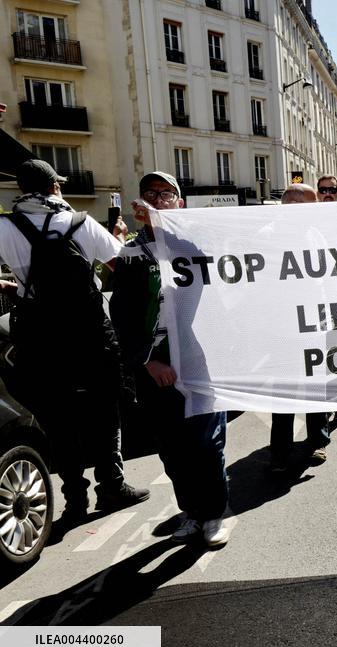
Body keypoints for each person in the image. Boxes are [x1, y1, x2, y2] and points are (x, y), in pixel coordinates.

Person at [0, 159, 148, 521]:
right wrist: (119, 238)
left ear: (22, 190)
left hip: (39, 335)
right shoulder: (80, 222)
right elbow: (123, 269)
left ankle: (75, 500)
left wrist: (15, 286)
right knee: (104, 409)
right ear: (55, 187)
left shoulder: (4, 227)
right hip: (89, 331)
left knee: (56, 417)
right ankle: (111, 486)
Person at [109, 171, 229, 547]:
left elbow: (221, 291)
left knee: (207, 442)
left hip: (199, 359)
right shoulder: (131, 253)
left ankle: (213, 514)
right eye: (151, 193)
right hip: (157, 367)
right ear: (140, 202)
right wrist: (147, 361)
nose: (158, 200)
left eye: (167, 194)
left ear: (180, 203)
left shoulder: (194, 245)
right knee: (173, 447)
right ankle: (191, 512)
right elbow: (122, 315)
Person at [269, 184, 333, 469]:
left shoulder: (315, 234)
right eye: (311, 204)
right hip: (282, 327)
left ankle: (317, 441)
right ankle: (280, 453)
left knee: (316, 384)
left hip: (314, 323)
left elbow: (327, 276)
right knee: (284, 391)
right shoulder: (268, 236)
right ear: (293, 205)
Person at [315, 174, 337, 428]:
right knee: (318, 353)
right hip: (315, 296)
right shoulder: (309, 219)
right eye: (323, 189)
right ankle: (323, 406)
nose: (327, 194)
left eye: (332, 190)